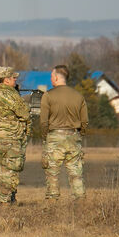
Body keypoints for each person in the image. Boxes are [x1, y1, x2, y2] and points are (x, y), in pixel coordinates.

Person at [40, 64, 88, 201]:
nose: (50, 79)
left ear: (55, 77)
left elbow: (43, 122)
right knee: (76, 172)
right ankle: (80, 201)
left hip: (54, 137)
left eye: (51, 76)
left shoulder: (48, 96)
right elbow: (85, 121)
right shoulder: (79, 96)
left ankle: (52, 201)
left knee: (52, 172)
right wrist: (79, 134)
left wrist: (45, 137)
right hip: (74, 136)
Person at [0, 66, 30, 204]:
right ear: (6, 80)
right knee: (11, 169)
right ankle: (6, 200)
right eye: (13, 78)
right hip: (11, 137)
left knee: (2, 169)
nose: (15, 80)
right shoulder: (10, 94)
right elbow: (24, 113)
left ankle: (7, 198)